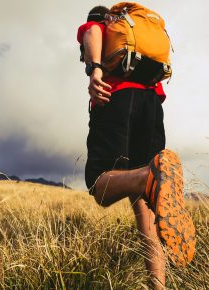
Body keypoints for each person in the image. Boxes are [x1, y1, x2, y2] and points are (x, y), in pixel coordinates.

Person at [77, 5, 195, 289]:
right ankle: (158, 285)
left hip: (114, 98)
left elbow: (91, 30)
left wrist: (94, 70)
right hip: (152, 107)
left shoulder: (102, 24)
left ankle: (148, 176)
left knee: (99, 183)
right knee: (145, 204)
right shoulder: (140, 39)